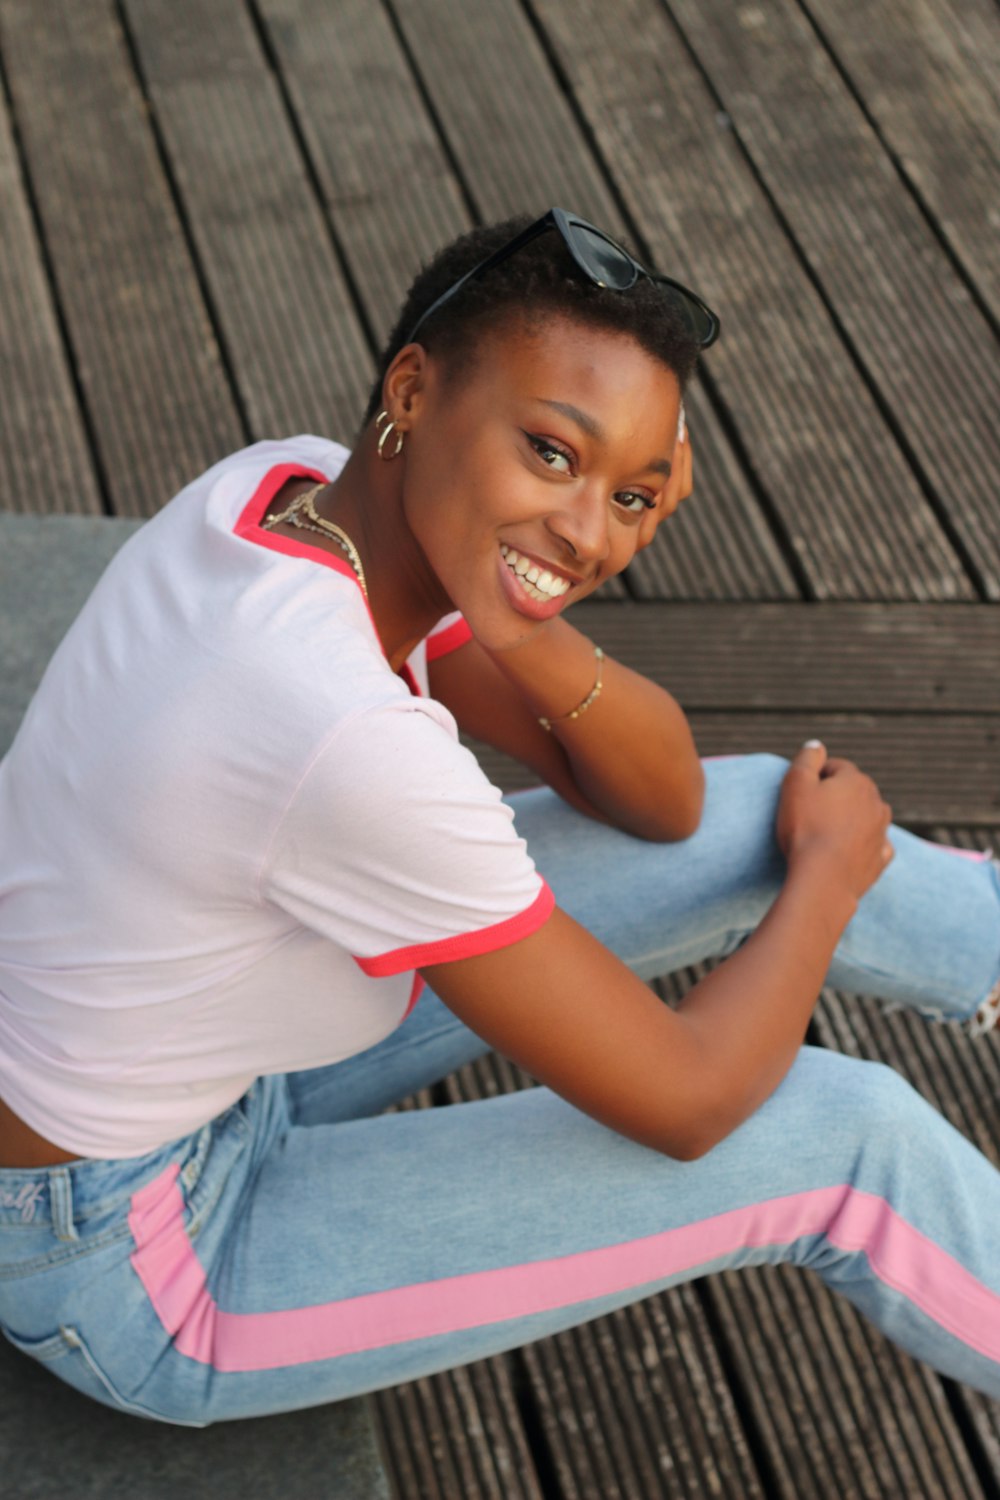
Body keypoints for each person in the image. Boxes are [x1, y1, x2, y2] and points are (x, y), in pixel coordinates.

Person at [0, 208, 998, 1428]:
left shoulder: (296, 485)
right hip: (127, 1253)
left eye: (634, 494)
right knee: (851, 1140)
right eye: (551, 452)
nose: (591, 532)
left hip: (206, 1056)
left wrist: (524, 591)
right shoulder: (340, 733)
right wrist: (827, 882)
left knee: (752, 819)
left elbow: (667, 801)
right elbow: (685, 1101)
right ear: (411, 391)